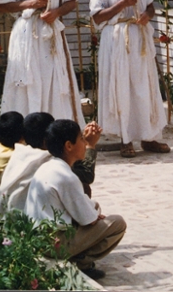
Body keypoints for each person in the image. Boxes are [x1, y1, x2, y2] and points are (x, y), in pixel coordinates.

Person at [89, 0, 170, 158]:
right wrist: (122, 4)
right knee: (121, 88)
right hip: (116, 40)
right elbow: (97, 17)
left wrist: (148, 15)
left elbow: (150, 4)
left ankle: (148, 137)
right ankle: (125, 139)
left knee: (144, 88)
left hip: (139, 39)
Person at [25, 119, 126, 280]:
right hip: (54, 243)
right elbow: (89, 220)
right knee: (117, 223)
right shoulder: (66, 177)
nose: (85, 143)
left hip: (37, 237)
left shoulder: (48, 166)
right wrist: (94, 214)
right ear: (69, 146)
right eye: (81, 139)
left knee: (93, 206)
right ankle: (80, 263)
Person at [0, 113, 101, 214]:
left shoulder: (19, 153)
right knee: (84, 188)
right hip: (28, 222)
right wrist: (89, 145)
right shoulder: (47, 159)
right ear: (47, 140)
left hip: (8, 216)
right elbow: (86, 175)